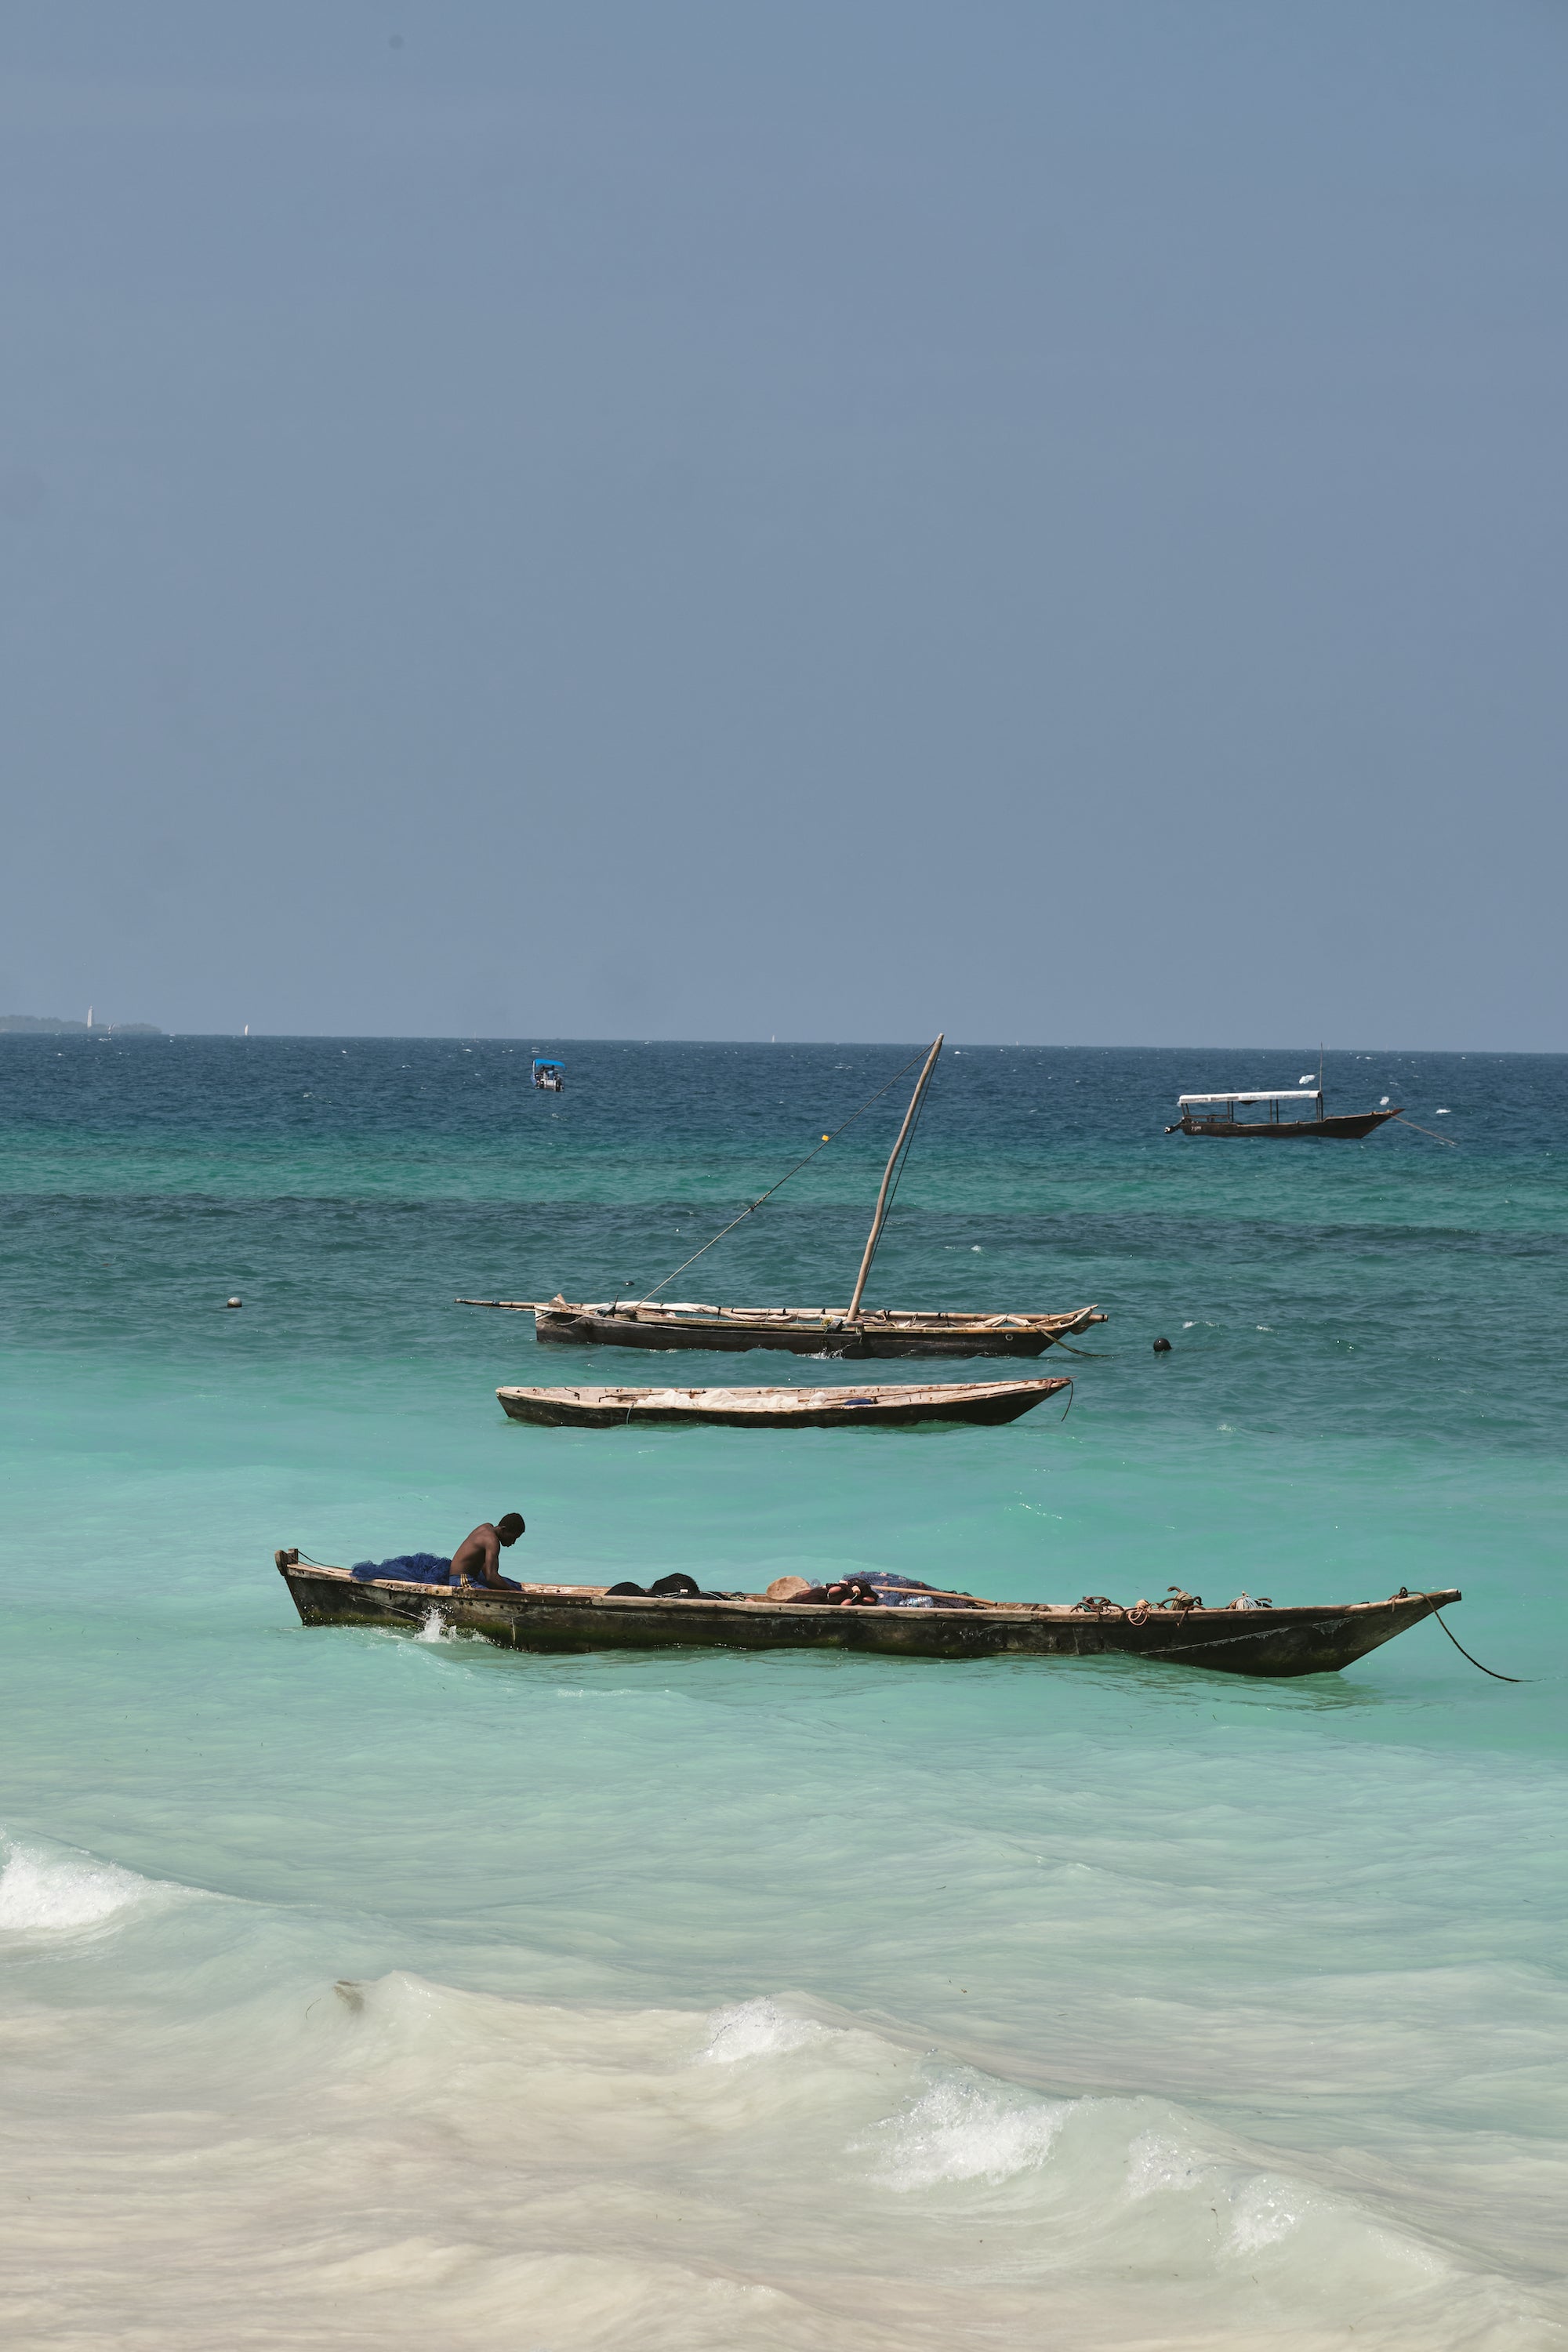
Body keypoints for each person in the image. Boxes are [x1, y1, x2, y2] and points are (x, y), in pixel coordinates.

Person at [450, 1512, 526, 1590]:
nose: (513, 1542)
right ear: (503, 1530)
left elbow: (486, 1569)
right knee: (500, 1591)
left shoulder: (487, 1527)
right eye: (513, 1538)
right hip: (461, 1579)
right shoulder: (492, 1541)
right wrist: (514, 1592)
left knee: (512, 1585)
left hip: (470, 1576)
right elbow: (491, 1577)